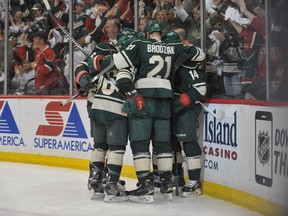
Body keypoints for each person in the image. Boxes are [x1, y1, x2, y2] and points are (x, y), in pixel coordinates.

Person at [86, 19, 206, 203]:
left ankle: (145, 184)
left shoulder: (140, 44)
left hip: (144, 98)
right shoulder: (173, 46)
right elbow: (200, 54)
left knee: (140, 142)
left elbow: (116, 63)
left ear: (147, 33)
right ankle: (165, 182)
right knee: (163, 142)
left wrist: (98, 64)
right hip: (165, 99)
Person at [74, 28, 140, 203]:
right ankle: (111, 185)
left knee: (99, 145)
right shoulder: (112, 52)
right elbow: (82, 67)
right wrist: (83, 79)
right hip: (114, 107)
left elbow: (88, 65)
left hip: (98, 105)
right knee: (115, 147)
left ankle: (96, 181)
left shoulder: (112, 56)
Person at [173, 28, 206, 196]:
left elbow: (200, 89)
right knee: (172, 143)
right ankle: (176, 177)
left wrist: (183, 101)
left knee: (188, 141)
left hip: (187, 107)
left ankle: (194, 182)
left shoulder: (188, 59)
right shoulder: (175, 58)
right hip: (173, 105)